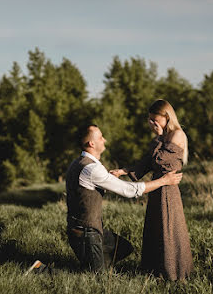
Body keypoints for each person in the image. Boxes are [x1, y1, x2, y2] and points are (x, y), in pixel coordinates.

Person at [26, 124, 182, 274]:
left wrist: (109, 179)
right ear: (91, 143)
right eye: (101, 137)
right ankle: (40, 269)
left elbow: (88, 188)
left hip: (88, 229)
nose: (105, 140)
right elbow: (130, 191)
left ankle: (95, 263)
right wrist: (164, 181)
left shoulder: (79, 163)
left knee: (123, 248)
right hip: (85, 234)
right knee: (92, 278)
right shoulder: (91, 169)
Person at [110, 99, 194, 280]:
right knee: (155, 227)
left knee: (168, 228)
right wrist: (123, 171)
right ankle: (154, 270)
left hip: (168, 189)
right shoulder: (162, 137)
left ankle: (173, 273)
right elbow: (147, 162)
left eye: (155, 120)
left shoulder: (177, 134)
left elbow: (160, 160)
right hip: (158, 184)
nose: (151, 123)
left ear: (167, 117)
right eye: (149, 120)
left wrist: (158, 137)